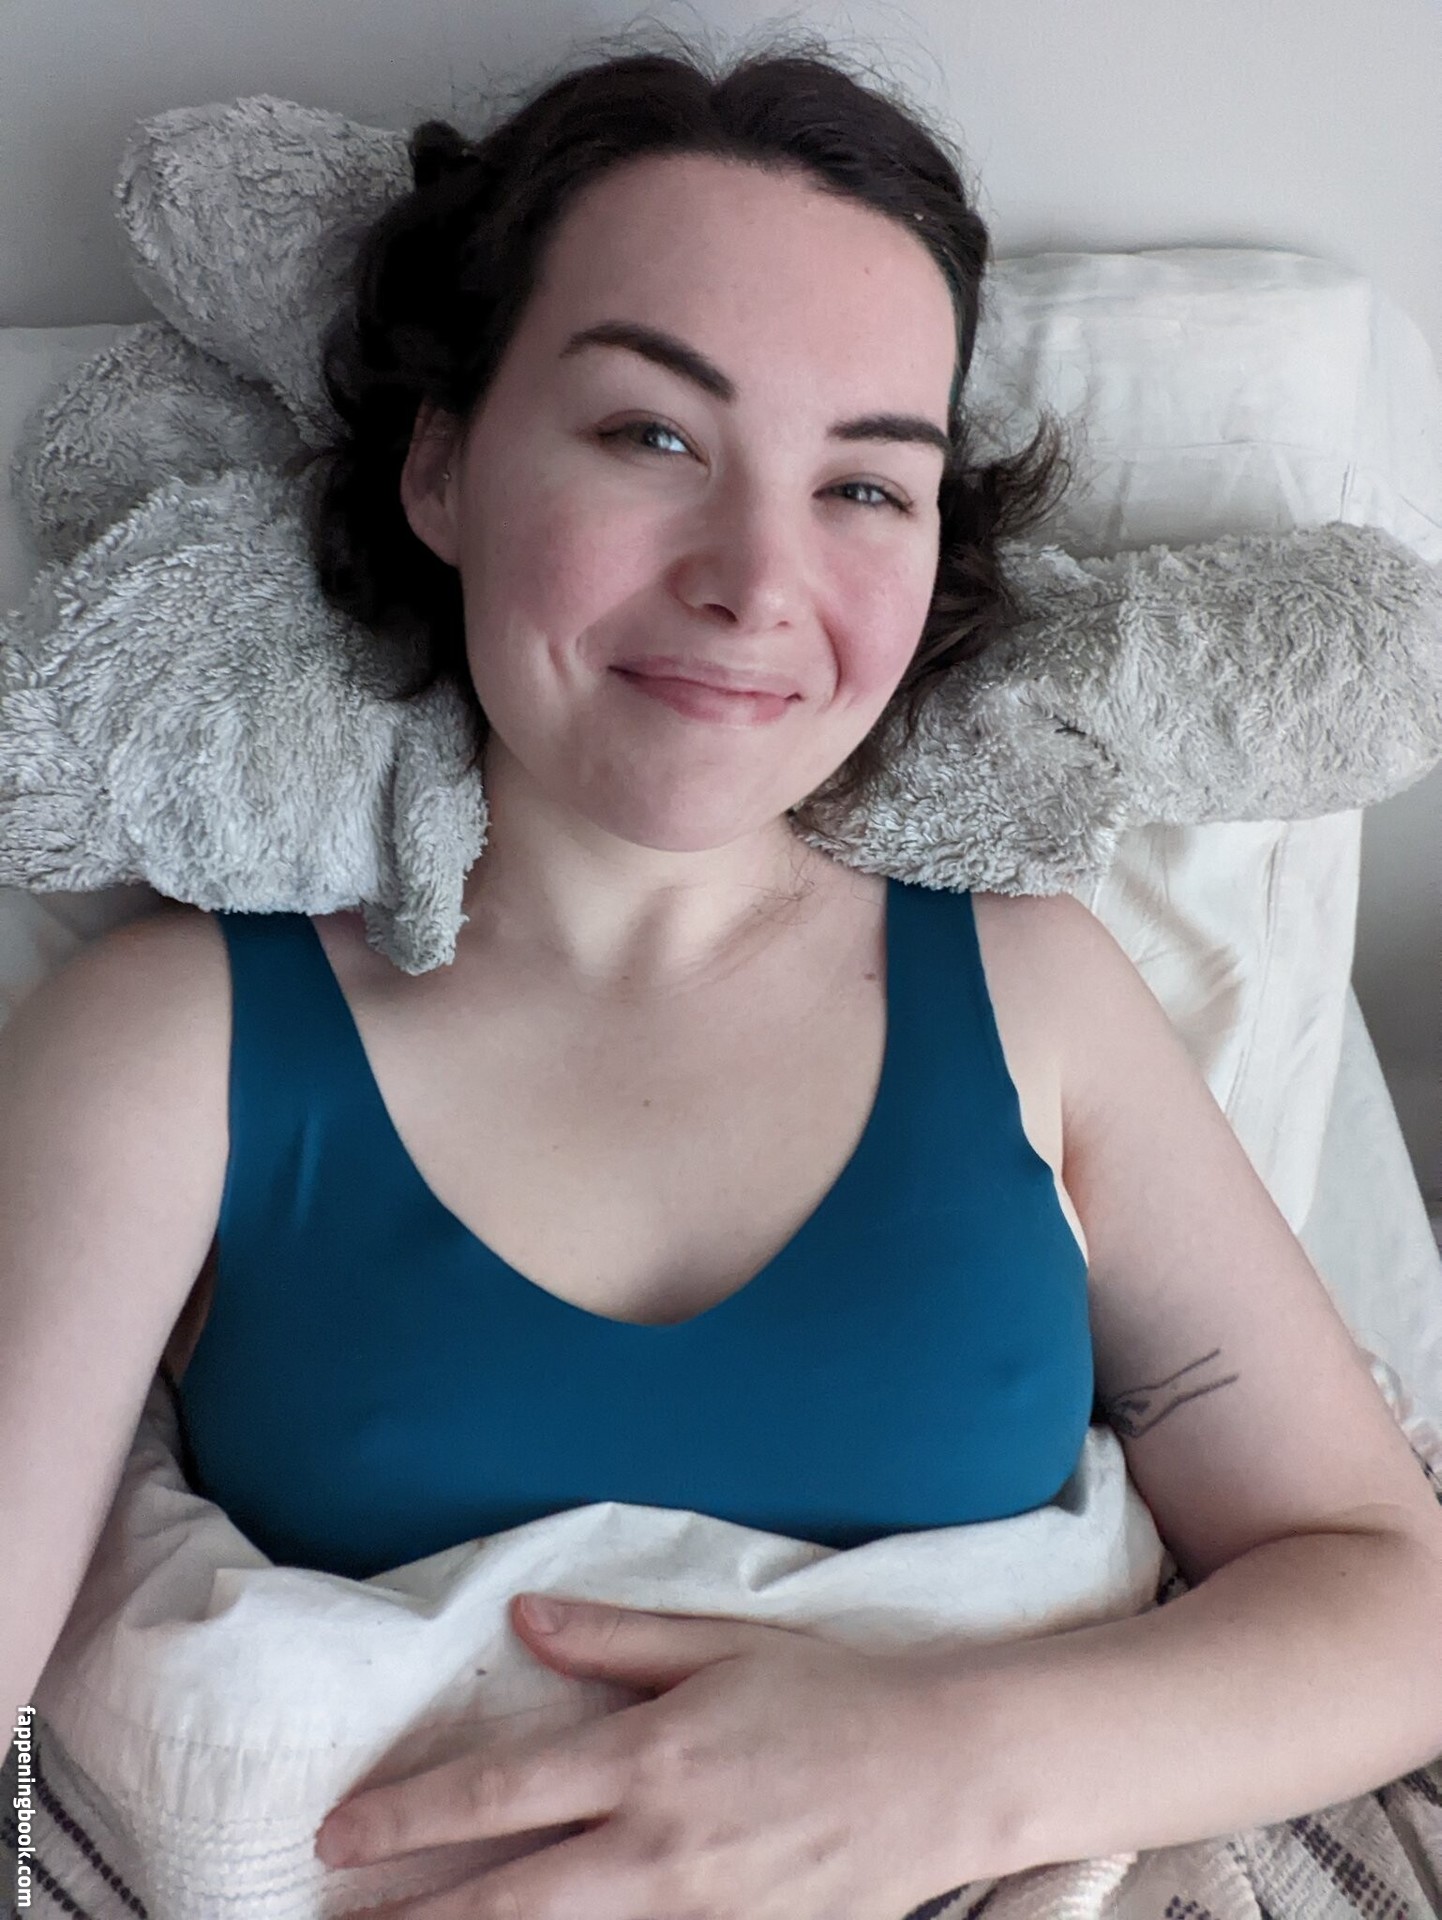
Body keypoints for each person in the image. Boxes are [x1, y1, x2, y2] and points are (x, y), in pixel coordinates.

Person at [3, 28, 1440, 1919]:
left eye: (865, 486)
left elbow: (1386, 1594)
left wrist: (928, 1771)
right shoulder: (170, 1039)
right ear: (440, 466)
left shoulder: (1036, 996)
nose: (756, 579)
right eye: (652, 437)